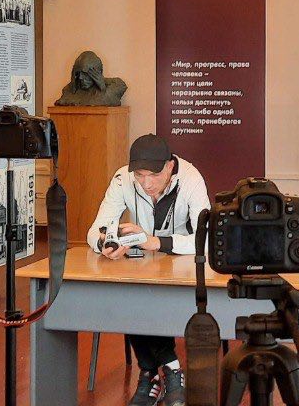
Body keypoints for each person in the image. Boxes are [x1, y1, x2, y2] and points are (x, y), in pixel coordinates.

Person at [86, 134, 208, 406]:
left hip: (184, 267)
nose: (146, 183)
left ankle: (150, 374)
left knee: (145, 295)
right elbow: (94, 231)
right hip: (140, 269)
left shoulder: (190, 178)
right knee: (130, 290)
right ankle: (169, 368)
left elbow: (206, 240)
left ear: (170, 166)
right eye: (140, 175)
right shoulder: (122, 179)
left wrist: (155, 242)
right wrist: (106, 243)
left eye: (154, 175)